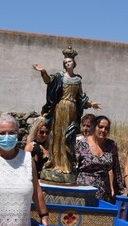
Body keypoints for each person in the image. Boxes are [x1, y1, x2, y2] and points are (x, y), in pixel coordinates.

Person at [62, 115, 124, 226]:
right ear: (95, 127)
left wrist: (117, 189)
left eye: (106, 128)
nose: (103, 131)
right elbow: (70, 168)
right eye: (100, 127)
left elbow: (116, 168)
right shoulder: (81, 144)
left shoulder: (111, 145)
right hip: (82, 191)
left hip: (103, 192)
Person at [33, 46, 101, 182]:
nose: (67, 63)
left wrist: (91, 104)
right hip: (60, 108)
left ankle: (66, 165)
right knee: (57, 135)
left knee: (67, 137)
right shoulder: (59, 77)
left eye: (69, 61)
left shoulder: (77, 80)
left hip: (72, 110)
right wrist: (43, 72)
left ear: (74, 63)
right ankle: (55, 164)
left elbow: (80, 97)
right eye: (65, 62)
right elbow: (49, 81)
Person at [24, 118, 55, 226]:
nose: (43, 135)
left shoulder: (50, 147)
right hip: (34, 180)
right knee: (34, 205)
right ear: (36, 131)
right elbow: (25, 164)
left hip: (47, 181)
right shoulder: (31, 146)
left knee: (47, 206)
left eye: (46, 132)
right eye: (41, 132)